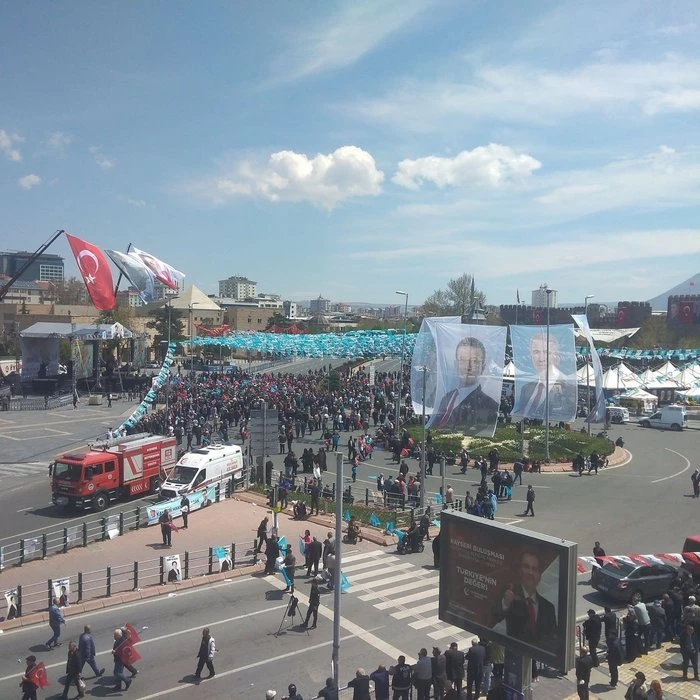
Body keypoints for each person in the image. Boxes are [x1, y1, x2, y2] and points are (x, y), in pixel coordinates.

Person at [429, 337, 499, 435]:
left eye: (475, 361)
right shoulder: (447, 398)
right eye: (463, 360)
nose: (468, 367)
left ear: (482, 368)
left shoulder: (490, 405)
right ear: (456, 365)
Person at [494, 550, 558, 653]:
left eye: (535, 569)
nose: (530, 572)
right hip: (515, 654)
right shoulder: (509, 595)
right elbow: (493, 619)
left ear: (540, 575)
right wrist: (505, 604)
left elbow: (553, 638)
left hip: (537, 656)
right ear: (519, 570)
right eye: (526, 567)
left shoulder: (548, 607)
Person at [512, 332, 577, 421]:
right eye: (536, 352)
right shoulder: (526, 389)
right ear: (531, 355)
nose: (541, 358)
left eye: (546, 352)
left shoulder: (568, 390)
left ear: (556, 356)